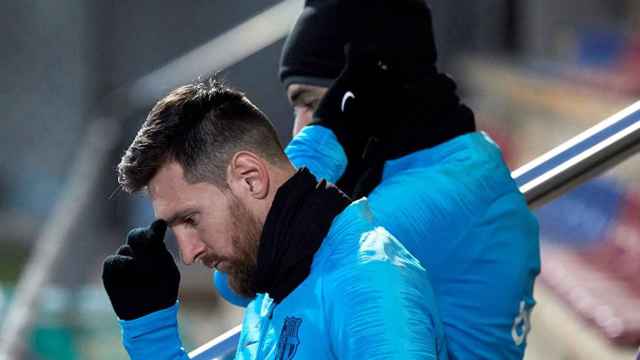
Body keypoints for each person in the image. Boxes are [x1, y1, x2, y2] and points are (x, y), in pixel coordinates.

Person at [216, 0, 541, 358]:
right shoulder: (437, 164)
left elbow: (248, 256)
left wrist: (326, 138)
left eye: (314, 107)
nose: (299, 131)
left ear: (362, 100)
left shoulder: (440, 193)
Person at [102, 79, 448, 359]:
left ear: (249, 177)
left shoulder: (370, 281)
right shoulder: (271, 287)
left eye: (190, 219)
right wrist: (151, 336)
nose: (188, 254)